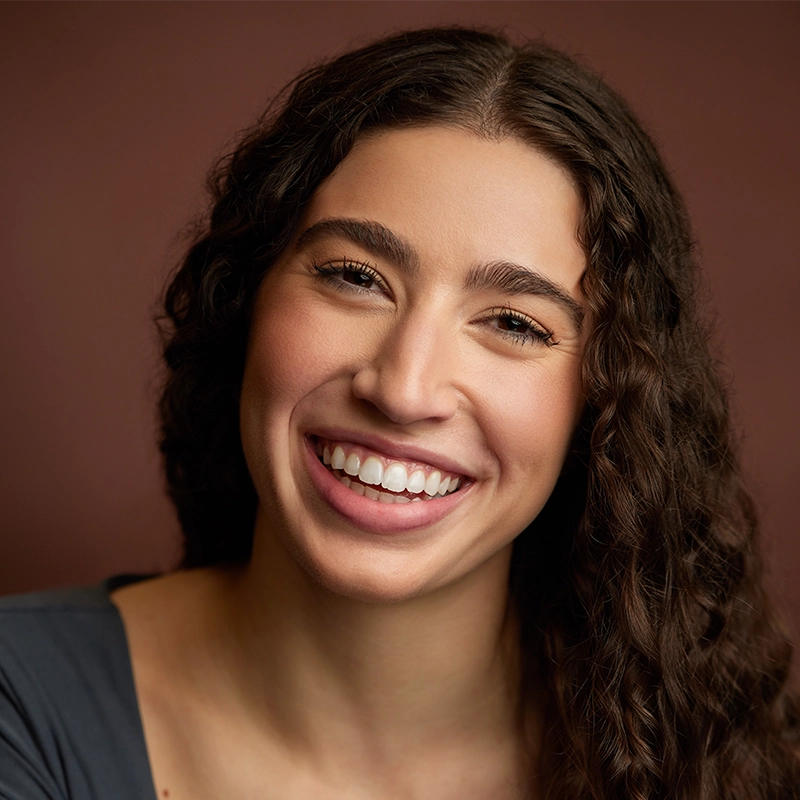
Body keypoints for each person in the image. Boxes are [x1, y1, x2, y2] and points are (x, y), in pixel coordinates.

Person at [1, 26, 797, 800]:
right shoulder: (20, 709)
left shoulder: (711, 755)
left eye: (514, 323)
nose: (404, 388)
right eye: (355, 276)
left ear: (606, 397)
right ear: (247, 299)